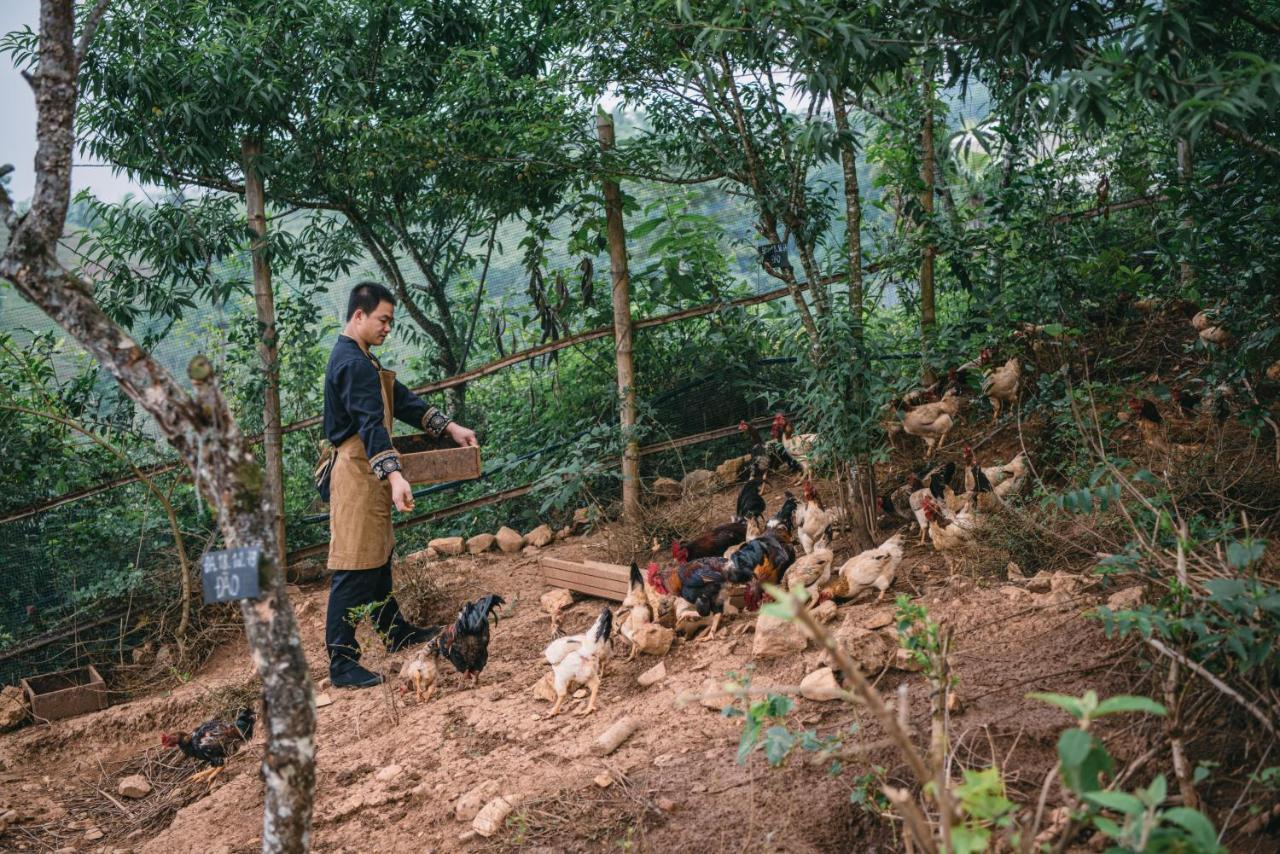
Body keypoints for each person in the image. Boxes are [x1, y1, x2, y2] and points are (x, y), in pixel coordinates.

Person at [322, 281, 479, 688]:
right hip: (356, 471)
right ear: (359, 315)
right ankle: (341, 662)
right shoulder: (352, 364)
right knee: (353, 566)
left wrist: (449, 428)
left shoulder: (362, 358)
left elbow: (402, 400)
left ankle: (394, 632)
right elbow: (371, 427)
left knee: (376, 558)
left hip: (366, 468)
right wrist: (395, 475)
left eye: (391, 321)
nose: (388, 328)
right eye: (383, 320)